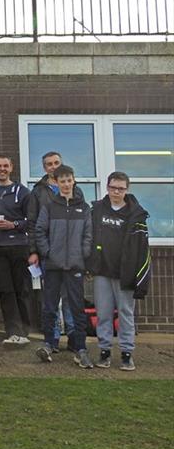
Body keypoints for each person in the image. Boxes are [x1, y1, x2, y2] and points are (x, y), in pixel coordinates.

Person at [87, 171, 151, 371]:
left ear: (127, 190)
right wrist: (89, 264)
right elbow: (88, 238)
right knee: (103, 313)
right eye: (113, 187)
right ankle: (104, 352)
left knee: (125, 313)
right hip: (102, 272)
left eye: (121, 188)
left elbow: (143, 248)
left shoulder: (136, 214)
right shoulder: (97, 210)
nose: (116, 191)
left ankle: (126, 354)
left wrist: (140, 276)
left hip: (126, 273)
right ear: (107, 187)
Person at [34, 164, 94, 368]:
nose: (67, 184)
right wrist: (49, 253)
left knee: (77, 309)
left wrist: (83, 255)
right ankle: (49, 344)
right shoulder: (49, 207)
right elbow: (39, 231)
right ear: (56, 183)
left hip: (75, 266)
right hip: (53, 266)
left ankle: (80, 348)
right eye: (62, 181)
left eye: (69, 180)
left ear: (73, 181)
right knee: (50, 307)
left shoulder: (84, 208)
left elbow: (88, 235)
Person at [29, 151, 78, 351]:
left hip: (72, 254)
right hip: (49, 253)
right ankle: (53, 339)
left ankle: (74, 337)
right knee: (51, 300)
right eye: (49, 164)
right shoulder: (38, 192)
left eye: (56, 162)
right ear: (44, 168)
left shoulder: (77, 190)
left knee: (70, 298)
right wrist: (35, 250)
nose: (53, 166)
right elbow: (33, 224)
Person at [0, 155, 34, 345]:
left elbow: (31, 220)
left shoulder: (22, 192)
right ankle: (12, 331)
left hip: (19, 246)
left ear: (11, 167)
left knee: (21, 289)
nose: (2, 169)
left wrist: (13, 224)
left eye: (5, 166)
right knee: (5, 290)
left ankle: (25, 330)